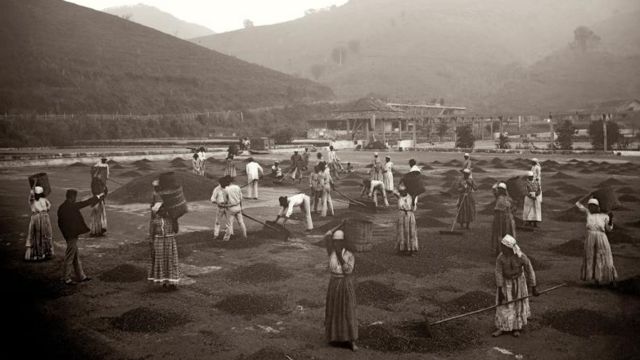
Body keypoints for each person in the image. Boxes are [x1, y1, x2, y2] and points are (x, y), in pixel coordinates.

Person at [493, 234, 539, 338]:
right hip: (505, 283)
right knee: (503, 305)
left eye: (504, 248)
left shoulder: (521, 256)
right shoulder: (500, 258)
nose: (502, 249)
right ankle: (501, 327)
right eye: (502, 247)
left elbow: (529, 270)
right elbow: (498, 273)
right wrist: (500, 291)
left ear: (510, 248)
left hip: (519, 282)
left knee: (518, 304)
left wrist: (533, 287)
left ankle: (516, 327)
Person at [58, 189, 103, 285]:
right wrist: (97, 197)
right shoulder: (71, 206)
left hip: (68, 235)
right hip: (72, 236)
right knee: (70, 257)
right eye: (75, 197)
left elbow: (60, 223)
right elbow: (84, 203)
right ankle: (66, 278)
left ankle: (81, 276)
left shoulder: (62, 207)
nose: (75, 199)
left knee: (75, 256)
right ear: (72, 197)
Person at [324, 230, 358, 351]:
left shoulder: (349, 255)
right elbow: (326, 235)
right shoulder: (331, 252)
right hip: (333, 283)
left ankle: (352, 340)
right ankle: (335, 337)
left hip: (344, 283)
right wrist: (339, 226)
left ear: (343, 242)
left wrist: (340, 257)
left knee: (347, 310)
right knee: (334, 309)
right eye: (335, 241)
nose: (336, 244)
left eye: (339, 241)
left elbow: (348, 271)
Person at [575, 198, 617, 286]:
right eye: (589, 206)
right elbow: (578, 204)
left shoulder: (604, 216)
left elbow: (609, 229)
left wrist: (611, 220)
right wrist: (587, 196)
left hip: (601, 237)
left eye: (593, 206)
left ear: (597, 207)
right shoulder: (588, 213)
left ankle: (611, 279)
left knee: (605, 256)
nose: (590, 208)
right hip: (590, 237)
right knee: (591, 256)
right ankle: (596, 280)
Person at [148, 200, 180, 288]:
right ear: (158, 211)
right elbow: (151, 235)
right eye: (161, 209)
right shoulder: (155, 221)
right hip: (159, 243)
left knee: (170, 260)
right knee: (161, 261)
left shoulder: (171, 219)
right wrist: (152, 247)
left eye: (165, 208)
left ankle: (172, 282)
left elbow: (176, 230)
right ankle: (164, 282)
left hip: (170, 242)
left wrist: (175, 220)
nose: (164, 210)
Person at [25, 186, 54, 261]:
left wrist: (46, 210)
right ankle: (37, 254)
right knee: (36, 235)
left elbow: (49, 205)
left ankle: (44, 253)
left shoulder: (42, 199)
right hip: (37, 218)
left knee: (45, 234)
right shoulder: (32, 199)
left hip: (43, 217)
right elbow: (31, 197)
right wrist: (31, 190)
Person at [491, 182, 516, 255]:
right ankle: (499, 250)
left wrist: (510, 212)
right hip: (500, 217)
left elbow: (514, 208)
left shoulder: (506, 198)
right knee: (500, 233)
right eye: (499, 189)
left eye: (500, 189)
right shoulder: (499, 197)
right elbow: (493, 189)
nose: (499, 190)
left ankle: (506, 250)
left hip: (505, 218)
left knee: (506, 233)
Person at [394, 184, 418, 256]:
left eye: (403, 191)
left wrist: (413, 200)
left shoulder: (412, 197)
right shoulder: (399, 196)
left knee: (411, 232)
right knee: (401, 232)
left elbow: (414, 209)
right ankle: (402, 249)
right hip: (401, 215)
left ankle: (411, 249)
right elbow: (393, 190)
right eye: (400, 191)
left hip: (409, 215)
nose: (401, 193)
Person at [223, 176, 247, 241]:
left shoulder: (226, 189)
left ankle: (226, 238)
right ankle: (245, 235)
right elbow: (240, 198)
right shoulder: (237, 187)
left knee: (229, 224)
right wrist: (241, 208)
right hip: (238, 207)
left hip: (231, 208)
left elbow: (225, 200)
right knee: (241, 222)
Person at [90, 158, 109, 236]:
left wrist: (104, 192)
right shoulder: (95, 181)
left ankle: (100, 229)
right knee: (97, 214)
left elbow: (105, 190)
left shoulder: (98, 181)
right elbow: (95, 191)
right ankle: (97, 230)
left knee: (99, 214)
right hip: (97, 199)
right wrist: (101, 194)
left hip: (99, 199)